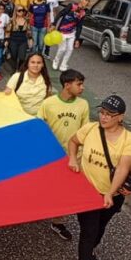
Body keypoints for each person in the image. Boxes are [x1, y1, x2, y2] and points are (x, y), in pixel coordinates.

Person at [67, 95, 131, 260]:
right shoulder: (90, 129)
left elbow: (123, 169)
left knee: (100, 229)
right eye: (102, 112)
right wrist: (73, 158)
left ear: (121, 117)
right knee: (88, 232)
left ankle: (89, 252)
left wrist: (110, 193)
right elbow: (73, 141)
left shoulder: (129, 140)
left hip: (111, 197)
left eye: (110, 114)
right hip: (87, 194)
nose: (104, 117)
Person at [37, 69, 89, 241]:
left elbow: (85, 130)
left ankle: (58, 222)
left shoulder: (83, 104)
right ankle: (40, 209)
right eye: (79, 84)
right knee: (47, 186)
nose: (82, 88)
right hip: (51, 156)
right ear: (67, 85)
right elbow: (39, 127)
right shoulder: (48, 103)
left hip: (74, 157)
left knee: (66, 192)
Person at [51, 0, 91, 72]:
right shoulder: (72, 6)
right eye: (86, 0)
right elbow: (60, 14)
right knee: (62, 49)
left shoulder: (83, 13)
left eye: (88, 1)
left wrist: (77, 39)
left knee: (70, 49)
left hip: (71, 33)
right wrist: (54, 24)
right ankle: (56, 60)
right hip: (62, 31)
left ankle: (63, 65)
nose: (87, 2)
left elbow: (79, 26)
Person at [4, 52, 52, 116]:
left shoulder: (46, 80)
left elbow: (47, 100)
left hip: (38, 118)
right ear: (27, 64)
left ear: (42, 65)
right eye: (32, 62)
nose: (36, 65)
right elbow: (6, 98)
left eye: (39, 63)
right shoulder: (17, 77)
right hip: (18, 117)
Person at [7, 5, 30, 73]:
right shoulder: (12, 20)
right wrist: (6, 41)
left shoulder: (26, 20)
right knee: (14, 56)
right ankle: (13, 70)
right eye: (19, 10)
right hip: (13, 40)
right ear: (16, 11)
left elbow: (28, 31)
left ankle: (20, 70)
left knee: (22, 57)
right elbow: (8, 31)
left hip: (23, 41)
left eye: (22, 10)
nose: (21, 12)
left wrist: (30, 39)